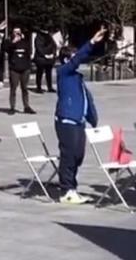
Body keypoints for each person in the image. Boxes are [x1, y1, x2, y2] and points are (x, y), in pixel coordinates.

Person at [55, 28, 104, 205]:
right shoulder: (63, 72)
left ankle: (72, 188)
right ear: (67, 59)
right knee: (69, 154)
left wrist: (93, 119)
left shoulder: (76, 77)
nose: (78, 60)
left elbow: (86, 99)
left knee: (78, 155)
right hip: (67, 120)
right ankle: (66, 189)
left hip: (79, 122)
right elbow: (78, 59)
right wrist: (91, 42)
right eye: (74, 56)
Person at [6, 27, 35, 114]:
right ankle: (12, 107)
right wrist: (14, 42)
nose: (17, 34)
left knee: (24, 88)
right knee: (13, 88)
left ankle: (26, 106)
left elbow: (29, 52)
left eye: (18, 32)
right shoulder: (9, 41)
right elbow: (6, 49)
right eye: (15, 32)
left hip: (25, 68)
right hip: (14, 69)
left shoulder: (25, 42)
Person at [34, 28, 57, 93]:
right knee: (39, 72)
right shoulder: (38, 37)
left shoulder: (49, 37)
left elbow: (54, 46)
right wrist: (44, 55)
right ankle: (38, 87)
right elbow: (38, 48)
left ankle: (49, 87)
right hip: (41, 58)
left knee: (49, 73)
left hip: (49, 58)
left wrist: (53, 54)